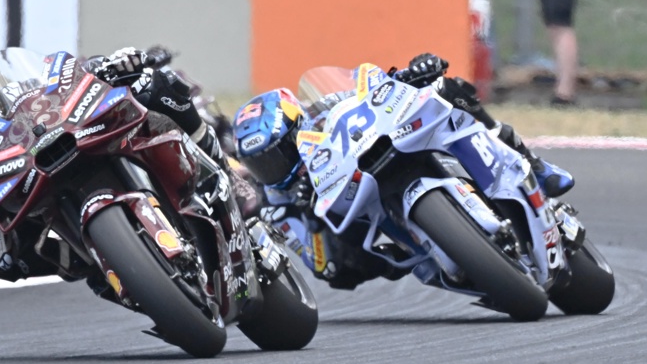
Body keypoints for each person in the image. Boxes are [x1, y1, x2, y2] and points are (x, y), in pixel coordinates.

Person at [0, 46, 257, 297]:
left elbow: (57, 84)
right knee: (24, 262)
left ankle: (224, 169)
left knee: (157, 86)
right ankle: (116, 267)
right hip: (32, 222)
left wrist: (109, 66)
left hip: (58, 156)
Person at [232, 52, 574, 290]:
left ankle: (536, 167)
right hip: (355, 231)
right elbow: (320, 262)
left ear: (297, 130)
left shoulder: (322, 114)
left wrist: (412, 74)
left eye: (276, 155)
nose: (271, 170)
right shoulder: (278, 203)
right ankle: (424, 252)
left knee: (448, 90)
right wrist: (313, 217)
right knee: (340, 269)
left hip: (375, 157)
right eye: (260, 164)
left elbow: (370, 92)